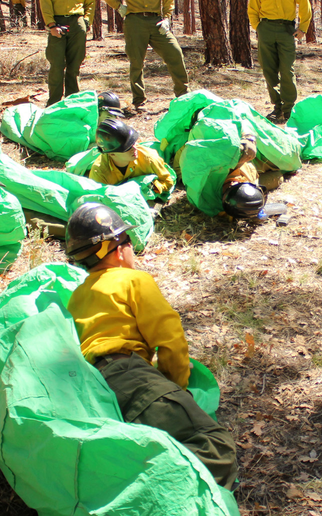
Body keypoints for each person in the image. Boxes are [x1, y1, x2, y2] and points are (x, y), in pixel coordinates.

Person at [63, 203, 238, 489]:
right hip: (130, 376)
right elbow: (170, 340)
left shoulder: (78, 295)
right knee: (214, 448)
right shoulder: (133, 279)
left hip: (91, 385)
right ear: (119, 249)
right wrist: (174, 387)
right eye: (130, 242)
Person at [99, 0, 189, 109]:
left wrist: (167, 18)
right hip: (135, 22)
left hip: (157, 22)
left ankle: (183, 95)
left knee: (175, 53)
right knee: (136, 62)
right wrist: (118, 7)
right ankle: (139, 100)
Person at [247, 0, 313, 122]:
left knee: (287, 70)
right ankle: (277, 107)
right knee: (269, 70)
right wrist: (259, 28)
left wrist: (302, 28)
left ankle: (289, 108)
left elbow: (305, 6)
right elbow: (252, 10)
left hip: (286, 30)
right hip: (266, 29)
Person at [39, 0, 96, 107]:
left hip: (77, 23)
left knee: (74, 66)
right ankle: (54, 105)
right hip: (57, 23)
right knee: (57, 65)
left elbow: (90, 1)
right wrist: (51, 25)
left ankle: (72, 104)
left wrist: (86, 22)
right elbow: (45, 1)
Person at [89, 118, 174, 198]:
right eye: (128, 148)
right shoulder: (99, 171)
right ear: (111, 154)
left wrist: (154, 187)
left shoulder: (149, 158)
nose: (134, 148)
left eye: (133, 143)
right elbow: (97, 198)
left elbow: (168, 181)